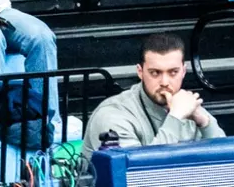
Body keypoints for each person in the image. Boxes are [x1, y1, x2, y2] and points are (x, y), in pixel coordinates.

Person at [82, 33, 224, 158]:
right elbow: (136, 175)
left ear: (183, 71)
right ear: (140, 72)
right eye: (155, 73)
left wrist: (205, 123)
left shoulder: (186, 105)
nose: (164, 82)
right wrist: (175, 118)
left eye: (173, 72)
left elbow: (227, 162)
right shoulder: (112, 115)